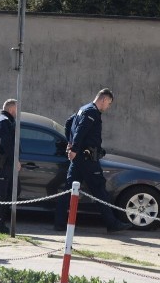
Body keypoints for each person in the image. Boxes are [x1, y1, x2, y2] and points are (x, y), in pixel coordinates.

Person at [55, 88, 130, 232]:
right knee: (100, 190)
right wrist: (74, 148)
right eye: (108, 103)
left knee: (68, 190)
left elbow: (69, 122)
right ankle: (112, 224)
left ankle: (59, 223)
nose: (108, 107)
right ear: (103, 99)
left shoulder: (83, 109)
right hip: (87, 159)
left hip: (79, 159)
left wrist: (70, 143)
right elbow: (81, 130)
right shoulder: (91, 112)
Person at [0, 99, 20, 233]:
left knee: (7, 193)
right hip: (0, 164)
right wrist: (15, 160)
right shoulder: (3, 122)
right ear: (12, 109)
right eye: (17, 109)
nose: (18, 112)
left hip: (3, 165)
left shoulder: (5, 120)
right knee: (0, 195)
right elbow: (6, 144)